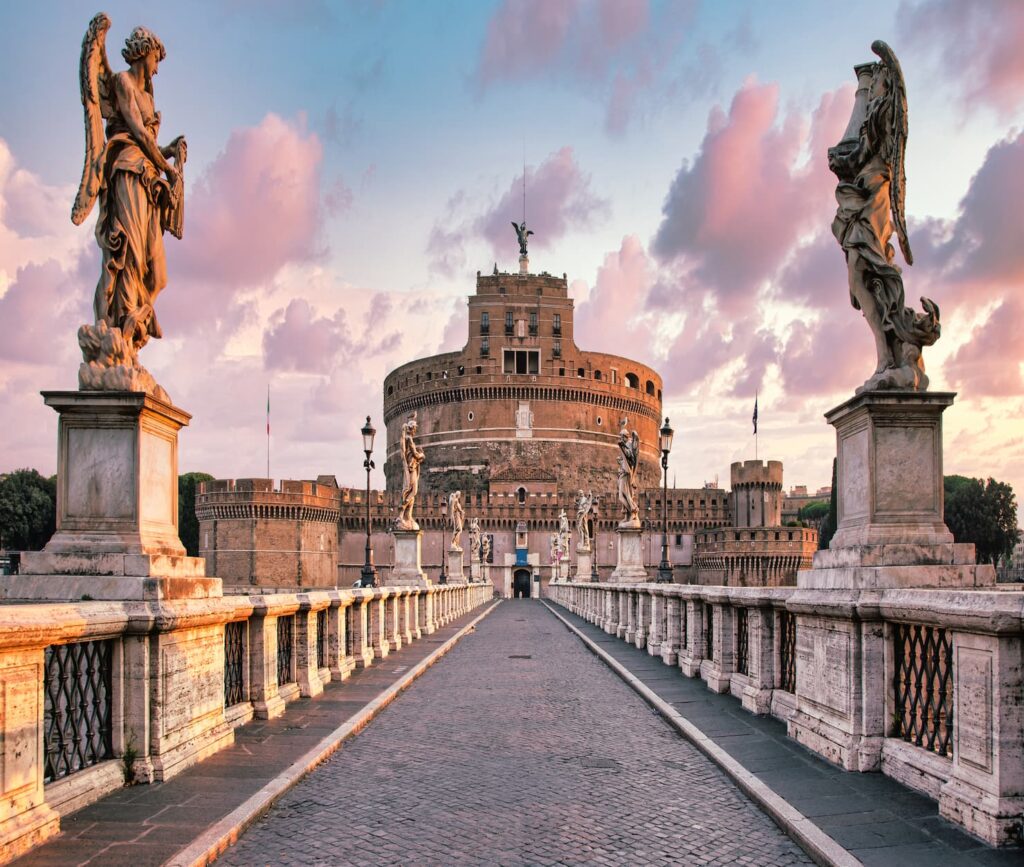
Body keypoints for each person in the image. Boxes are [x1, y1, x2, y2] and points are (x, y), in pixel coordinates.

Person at [75, 17, 186, 357]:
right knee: (128, 257)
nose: (156, 70)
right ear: (143, 53)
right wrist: (166, 166)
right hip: (126, 174)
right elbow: (137, 133)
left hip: (148, 182)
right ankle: (117, 334)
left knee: (158, 276)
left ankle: (138, 316)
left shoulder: (149, 98)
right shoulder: (122, 82)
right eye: (155, 60)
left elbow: (149, 139)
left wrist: (170, 152)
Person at [397, 413, 425, 530]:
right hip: (411, 468)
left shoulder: (407, 438)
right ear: (412, 428)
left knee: (412, 492)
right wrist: (422, 455)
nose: (415, 431)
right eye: (415, 429)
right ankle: (401, 513)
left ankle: (407, 516)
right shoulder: (409, 439)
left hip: (411, 468)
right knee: (412, 491)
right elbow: (415, 454)